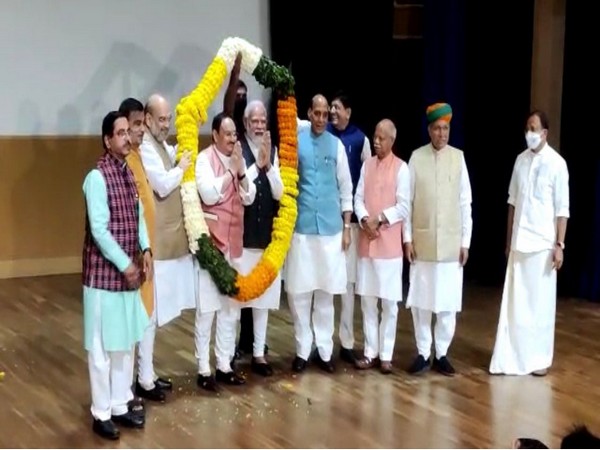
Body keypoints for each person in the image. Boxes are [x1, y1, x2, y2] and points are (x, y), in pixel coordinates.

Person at [82, 111, 151, 439]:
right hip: (103, 278)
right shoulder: (97, 177)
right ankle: (101, 411)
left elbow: (137, 217)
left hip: (129, 275)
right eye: (120, 133)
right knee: (101, 347)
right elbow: (99, 229)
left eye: (128, 131)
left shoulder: (127, 172)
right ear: (107, 140)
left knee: (124, 342)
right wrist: (125, 264)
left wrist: (146, 249)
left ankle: (121, 403)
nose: (127, 137)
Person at [489, 110, 569, 376]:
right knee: (515, 303)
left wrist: (560, 244)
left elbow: (562, 209)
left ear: (545, 133)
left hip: (543, 245)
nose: (529, 133)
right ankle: (509, 357)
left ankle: (538, 359)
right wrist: (508, 238)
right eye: (527, 128)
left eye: (533, 129)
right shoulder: (520, 161)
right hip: (519, 242)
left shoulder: (557, 164)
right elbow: (512, 201)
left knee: (540, 306)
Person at [284, 94, 353, 373]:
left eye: (326, 114)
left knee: (325, 293)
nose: (322, 119)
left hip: (331, 230)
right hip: (302, 229)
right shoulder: (296, 143)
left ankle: (325, 351)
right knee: (300, 293)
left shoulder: (335, 146)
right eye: (317, 113)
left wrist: (347, 227)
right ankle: (302, 349)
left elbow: (346, 187)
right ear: (309, 114)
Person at [404, 102, 473, 376]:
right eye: (437, 129)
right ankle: (423, 352)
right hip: (421, 244)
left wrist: (465, 242)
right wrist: (407, 240)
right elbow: (406, 203)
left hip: (450, 246)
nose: (442, 134)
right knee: (421, 302)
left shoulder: (459, 158)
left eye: (446, 129)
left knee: (446, 303)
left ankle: (441, 352)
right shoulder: (416, 158)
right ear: (429, 130)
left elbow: (466, 203)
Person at [138, 94, 196, 398]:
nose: (166, 125)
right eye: (161, 119)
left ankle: (148, 374)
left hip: (169, 240)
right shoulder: (145, 146)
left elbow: (171, 153)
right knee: (150, 314)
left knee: (155, 313)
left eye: (168, 119)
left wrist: (180, 155)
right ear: (147, 119)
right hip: (156, 243)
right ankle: (143, 379)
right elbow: (161, 183)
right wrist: (182, 166)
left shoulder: (158, 144)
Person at [194, 112, 256, 389]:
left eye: (234, 134)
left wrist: (240, 172)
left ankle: (223, 364)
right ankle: (203, 369)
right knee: (207, 308)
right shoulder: (204, 159)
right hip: (212, 243)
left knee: (230, 308)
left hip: (235, 242)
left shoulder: (238, 159)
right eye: (227, 134)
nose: (232, 138)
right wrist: (231, 171)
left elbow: (249, 195)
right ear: (215, 135)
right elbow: (208, 194)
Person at [353, 119, 410, 374]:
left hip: (389, 248)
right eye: (375, 137)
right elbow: (357, 198)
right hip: (367, 242)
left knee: (388, 304)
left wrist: (380, 218)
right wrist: (365, 218)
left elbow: (404, 206)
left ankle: (386, 354)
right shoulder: (367, 166)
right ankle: (370, 352)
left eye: (382, 138)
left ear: (392, 141)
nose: (376, 141)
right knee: (367, 301)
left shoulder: (402, 168)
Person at [236, 100, 284, 376]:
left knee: (263, 300)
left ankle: (258, 353)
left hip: (266, 235)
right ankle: (230, 352)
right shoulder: (238, 150)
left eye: (263, 120)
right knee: (238, 298)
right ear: (245, 123)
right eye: (254, 121)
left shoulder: (274, 150)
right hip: (242, 236)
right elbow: (245, 193)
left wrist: (269, 166)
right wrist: (258, 166)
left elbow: (278, 192)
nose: (259, 125)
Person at [327, 91, 372, 364]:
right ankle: (320, 344)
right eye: (330, 107)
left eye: (336, 108)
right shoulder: (325, 136)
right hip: (326, 223)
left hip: (351, 224)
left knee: (348, 285)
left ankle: (346, 342)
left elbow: (368, 178)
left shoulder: (361, 139)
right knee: (323, 284)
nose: (332, 112)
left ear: (348, 112)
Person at [118, 98, 158, 399]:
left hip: (147, 252)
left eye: (143, 123)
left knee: (147, 318)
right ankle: (126, 392)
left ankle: (144, 379)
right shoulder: (123, 163)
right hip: (133, 257)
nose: (141, 130)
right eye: (135, 125)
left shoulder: (139, 156)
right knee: (132, 324)